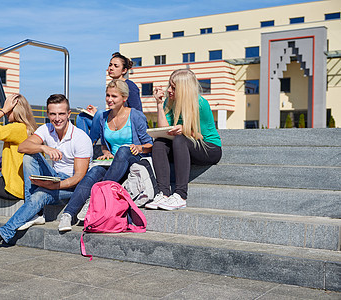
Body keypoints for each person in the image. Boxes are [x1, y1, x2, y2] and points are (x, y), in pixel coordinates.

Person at [0, 94, 93, 252]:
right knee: (29, 155)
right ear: (48, 114)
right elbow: (22, 147)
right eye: (53, 114)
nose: (57, 118)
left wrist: (55, 186)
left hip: (72, 187)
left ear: (69, 114)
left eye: (61, 114)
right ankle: (35, 212)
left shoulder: (81, 139)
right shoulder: (46, 129)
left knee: (39, 195)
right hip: (55, 176)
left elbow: (78, 177)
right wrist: (44, 148)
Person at [58, 79, 152, 232]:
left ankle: (95, 197)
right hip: (113, 164)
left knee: (123, 149)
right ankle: (68, 214)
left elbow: (149, 144)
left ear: (124, 98)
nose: (109, 99)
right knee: (94, 171)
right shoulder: (103, 117)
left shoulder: (135, 116)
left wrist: (139, 147)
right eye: (107, 95)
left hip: (132, 159)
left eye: (114, 96)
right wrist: (106, 153)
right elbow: (104, 144)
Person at [145, 69, 222, 211]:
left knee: (180, 139)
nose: (169, 90)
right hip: (183, 145)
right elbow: (164, 130)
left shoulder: (201, 104)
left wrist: (185, 129)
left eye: (173, 87)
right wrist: (159, 105)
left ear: (184, 89)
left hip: (209, 148)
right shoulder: (170, 101)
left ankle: (180, 196)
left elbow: (201, 136)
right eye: (169, 86)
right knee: (159, 143)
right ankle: (164, 194)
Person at [76, 52, 142, 144]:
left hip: (124, 125)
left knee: (100, 113)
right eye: (110, 65)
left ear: (124, 70)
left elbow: (138, 113)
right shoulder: (112, 85)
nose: (111, 68)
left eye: (116, 66)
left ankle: (89, 146)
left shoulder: (130, 86)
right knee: (82, 117)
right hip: (111, 120)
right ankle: (82, 144)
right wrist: (95, 114)